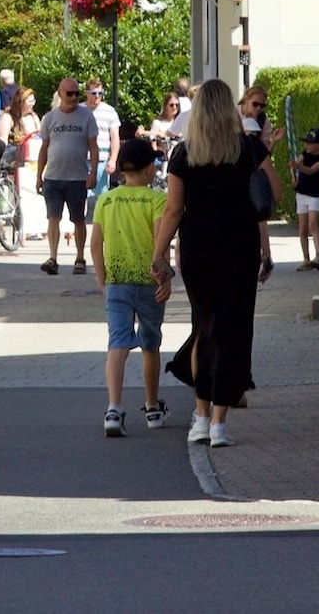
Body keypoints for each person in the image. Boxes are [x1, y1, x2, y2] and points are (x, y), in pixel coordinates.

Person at [152, 77, 281, 448]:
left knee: (204, 327)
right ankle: (221, 424)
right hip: (239, 248)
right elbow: (272, 195)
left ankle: (201, 416)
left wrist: (158, 253)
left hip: (198, 249)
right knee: (234, 330)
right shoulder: (249, 148)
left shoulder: (184, 153)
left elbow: (174, 209)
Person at [91, 136, 172, 436]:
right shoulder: (157, 201)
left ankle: (114, 408)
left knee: (118, 342)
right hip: (150, 284)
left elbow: (95, 244)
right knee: (150, 344)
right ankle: (152, 406)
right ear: (150, 169)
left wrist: (103, 282)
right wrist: (165, 277)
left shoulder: (106, 200)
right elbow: (160, 246)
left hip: (117, 282)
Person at [36, 77, 99, 276]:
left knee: (78, 219)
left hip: (77, 177)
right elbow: (44, 148)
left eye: (76, 94)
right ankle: (53, 258)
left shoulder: (86, 116)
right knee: (53, 217)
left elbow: (93, 147)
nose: (73, 97)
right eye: (69, 93)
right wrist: (39, 175)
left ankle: (80, 258)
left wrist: (93, 172)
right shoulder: (49, 118)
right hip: (53, 177)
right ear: (60, 93)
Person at [239, 85, 285, 281]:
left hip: (252, 172)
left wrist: (273, 142)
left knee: (260, 212)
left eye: (262, 106)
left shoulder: (262, 122)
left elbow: (263, 153)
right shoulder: (231, 114)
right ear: (246, 99)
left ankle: (266, 255)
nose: (258, 109)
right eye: (255, 104)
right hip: (236, 171)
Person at [0, 85, 45, 240]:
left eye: (33, 101)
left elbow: (40, 138)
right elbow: (2, 142)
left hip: (32, 159)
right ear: (21, 101)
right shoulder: (8, 117)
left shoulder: (34, 117)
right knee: (11, 194)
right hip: (14, 159)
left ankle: (32, 226)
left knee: (33, 194)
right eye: (29, 101)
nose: (32, 104)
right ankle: (3, 224)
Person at [84, 77, 121, 217]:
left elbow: (115, 137)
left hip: (102, 158)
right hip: (81, 158)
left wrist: (113, 159)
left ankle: (102, 221)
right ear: (87, 93)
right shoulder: (80, 110)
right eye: (94, 93)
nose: (97, 96)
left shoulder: (109, 111)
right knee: (81, 193)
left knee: (101, 193)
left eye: (100, 93)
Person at [291, 128, 319, 271]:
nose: (307, 145)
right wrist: (294, 176)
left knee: (313, 224)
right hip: (301, 193)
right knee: (302, 227)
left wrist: (298, 166)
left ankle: (318, 257)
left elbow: (311, 170)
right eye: (306, 142)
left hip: (313, 194)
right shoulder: (305, 154)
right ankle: (306, 258)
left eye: (310, 143)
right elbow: (295, 165)